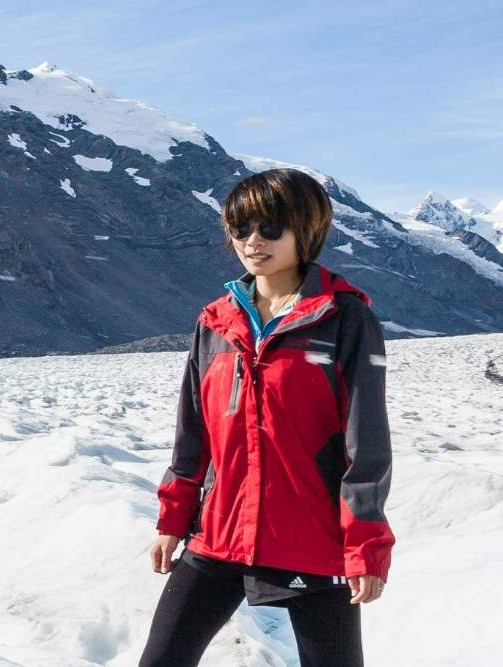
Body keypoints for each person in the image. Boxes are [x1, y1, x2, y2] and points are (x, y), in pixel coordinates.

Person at [139, 168, 395, 667]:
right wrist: (174, 517)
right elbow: (193, 434)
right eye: (240, 229)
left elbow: (367, 445)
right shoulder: (216, 321)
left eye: (270, 229)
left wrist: (364, 544)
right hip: (219, 532)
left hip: (312, 541)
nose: (253, 242)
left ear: (307, 228)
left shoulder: (344, 319)